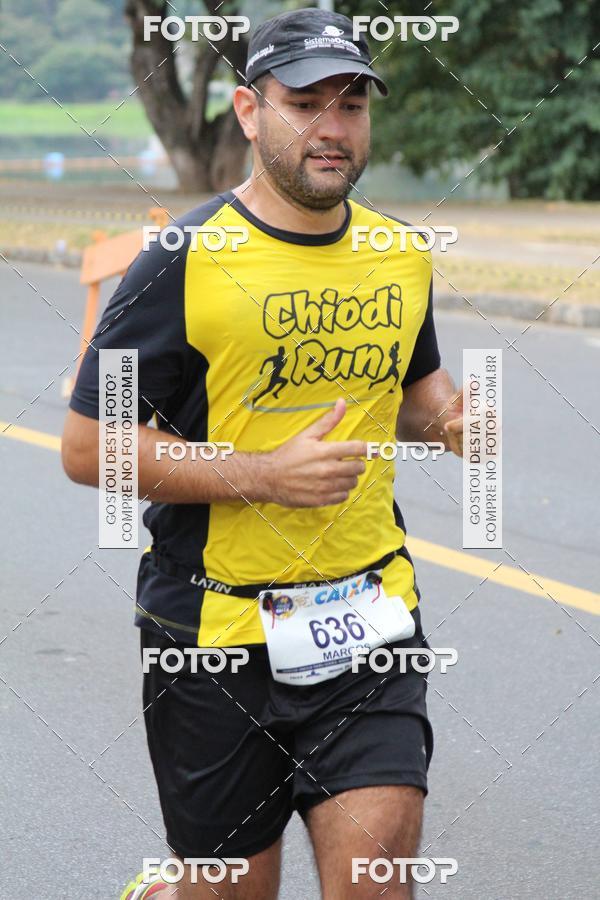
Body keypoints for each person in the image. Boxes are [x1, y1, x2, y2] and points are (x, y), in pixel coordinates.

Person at [61, 8, 463, 899]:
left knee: (376, 881)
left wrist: (458, 423)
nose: (333, 128)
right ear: (249, 111)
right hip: (212, 638)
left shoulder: (399, 254)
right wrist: (259, 475)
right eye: (305, 103)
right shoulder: (178, 262)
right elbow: (92, 449)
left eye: (352, 104)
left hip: (370, 621)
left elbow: (415, 398)